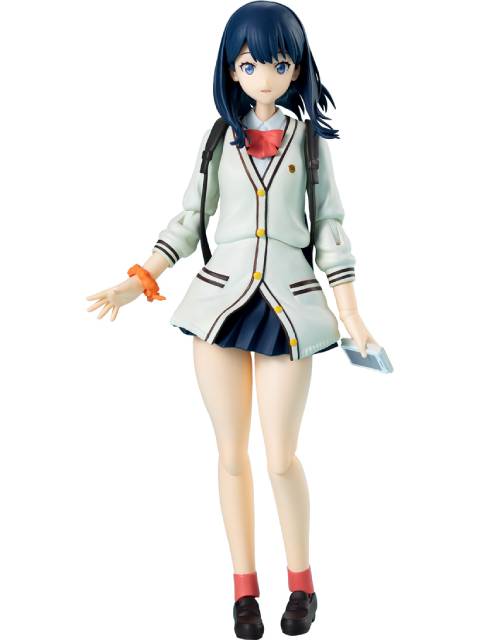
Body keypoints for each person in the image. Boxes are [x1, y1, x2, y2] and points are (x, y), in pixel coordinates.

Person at [86, 2, 377, 637]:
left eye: (278, 63)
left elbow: (330, 227)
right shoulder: (219, 138)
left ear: (296, 69)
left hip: (291, 307)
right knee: (230, 455)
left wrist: (350, 310)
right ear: (231, 70)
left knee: (280, 457)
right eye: (250, 65)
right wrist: (141, 278)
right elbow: (189, 220)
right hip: (218, 306)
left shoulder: (310, 145)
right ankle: (244, 590)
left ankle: (302, 583)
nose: (264, 77)